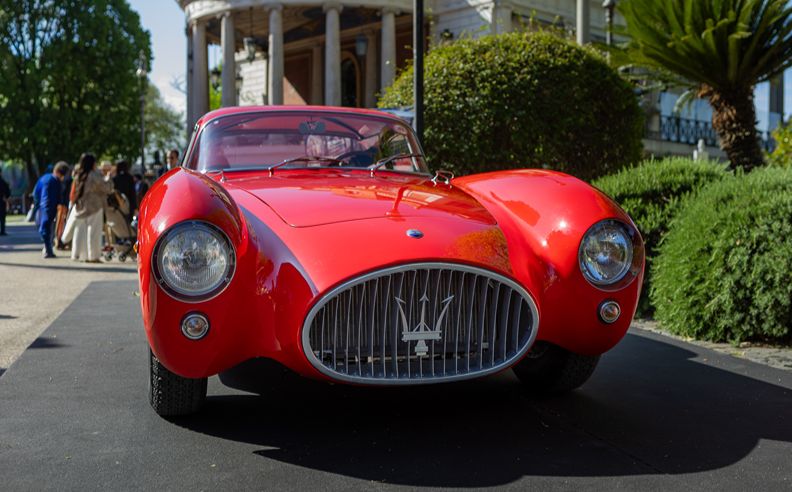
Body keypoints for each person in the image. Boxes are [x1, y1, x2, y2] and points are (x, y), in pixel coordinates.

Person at [71, 153, 113, 263]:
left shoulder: (79, 175)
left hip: (82, 206)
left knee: (81, 231)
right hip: (95, 206)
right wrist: (108, 177)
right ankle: (93, 256)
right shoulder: (94, 175)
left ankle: (81, 255)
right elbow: (106, 188)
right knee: (94, 232)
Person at [32, 162, 69, 257]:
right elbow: (51, 198)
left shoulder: (44, 178)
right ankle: (48, 250)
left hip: (41, 207)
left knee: (45, 228)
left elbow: (36, 192)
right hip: (48, 207)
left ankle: (47, 247)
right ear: (61, 174)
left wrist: (37, 205)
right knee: (47, 228)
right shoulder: (55, 181)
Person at [0, 167, 11, 235]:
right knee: (2, 217)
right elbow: (8, 192)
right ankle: (2, 230)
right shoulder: (3, 182)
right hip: (1, 201)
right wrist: (6, 197)